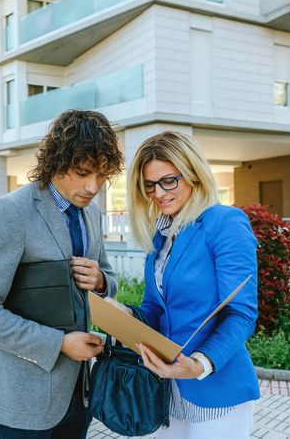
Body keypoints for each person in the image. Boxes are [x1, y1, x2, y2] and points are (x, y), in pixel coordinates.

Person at [0, 109, 124, 438]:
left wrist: (103, 282)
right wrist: (59, 344)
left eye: (103, 175)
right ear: (57, 161)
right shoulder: (9, 212)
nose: (94, 186)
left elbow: (108, 279)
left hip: (79, 397)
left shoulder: (91, 212)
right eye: (83, 172)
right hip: (20, 402)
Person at [106, 131, 260, 438]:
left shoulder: (224, 222)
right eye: (149, 185)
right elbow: (155, 309)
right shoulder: (160, 236)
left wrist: (200, 364)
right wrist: (118, 312)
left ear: (193, 173)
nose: (158, 193)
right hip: (166, 390)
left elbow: (241, 313)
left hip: (215, 390)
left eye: (168, 181)